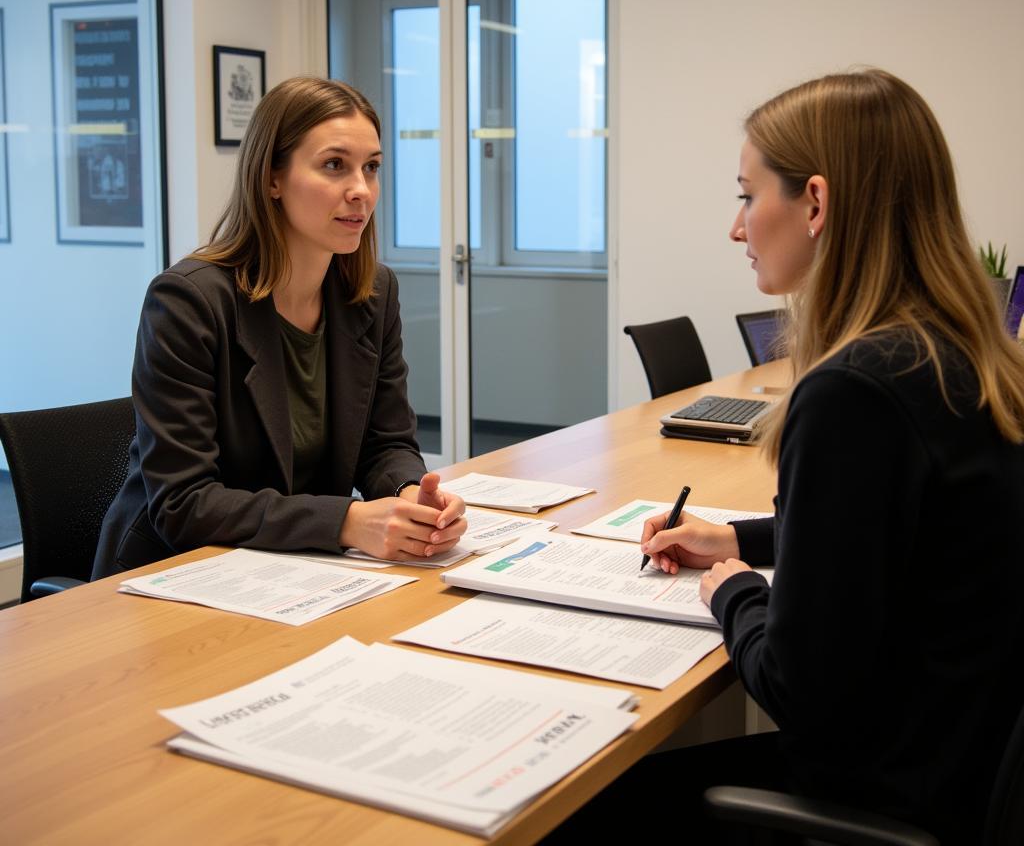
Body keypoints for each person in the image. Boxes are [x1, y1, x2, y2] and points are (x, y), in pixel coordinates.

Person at [555, 69, 1024, 844]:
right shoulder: (956, 356)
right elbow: (906, 530)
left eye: (746, 195)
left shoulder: (856, 392)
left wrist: (732, 590)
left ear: (815, 203)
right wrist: (741, 539)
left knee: (578, 804)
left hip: (879, 796)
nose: (737, 229)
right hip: (954, 768)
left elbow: (799, 687)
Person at [93, 77, 465, 578]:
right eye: (335, 165)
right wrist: (349, 521)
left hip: (297, 570)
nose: (361, 190)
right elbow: (183, 504)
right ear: (272, 178)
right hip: (175, 574)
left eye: (371, 167)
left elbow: (387, 443)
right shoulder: (190, 300)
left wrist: (412, 499)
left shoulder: (372, 293)